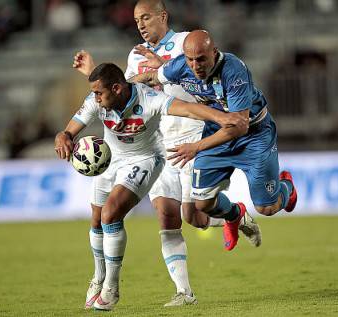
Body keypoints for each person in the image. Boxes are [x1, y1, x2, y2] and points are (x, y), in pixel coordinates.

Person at [72, 0, 261, 308]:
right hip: (158, 144)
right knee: (167, 215)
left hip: (193, 136)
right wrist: (93, 73)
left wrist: (165, 69)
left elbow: (202, 83)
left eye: (146, 17)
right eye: (136, 19)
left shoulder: (187, 43)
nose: (141, 24)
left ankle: (235, 213)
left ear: (163, 16)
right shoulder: (135, 54)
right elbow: (125, 89)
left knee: (196, 216)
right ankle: (184, 292)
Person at [54, 62, 247, 311]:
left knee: (111, 212)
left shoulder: (150, 99)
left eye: (100, 93)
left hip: (146, 159)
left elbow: (188, 109)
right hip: (110, 159)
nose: (96, 98)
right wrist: (63, 136)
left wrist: (223, 118)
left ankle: (111, 289)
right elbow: (69, 131)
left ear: (117, 88)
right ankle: (98, 277)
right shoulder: (96, 100)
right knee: (96, 219)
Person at [131, 30, 298, 251]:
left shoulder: (234, 71)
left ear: (214, 53)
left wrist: (196, 147)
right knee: (203, 203)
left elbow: (238, 126)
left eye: (200, 59)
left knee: (267, 208)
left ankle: (286, 188)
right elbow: (152, 77)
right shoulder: (181, 65)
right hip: (215, 132)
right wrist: (121, 88)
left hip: (253, 135)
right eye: (190, 59)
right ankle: (235, 215)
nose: (195, 65)